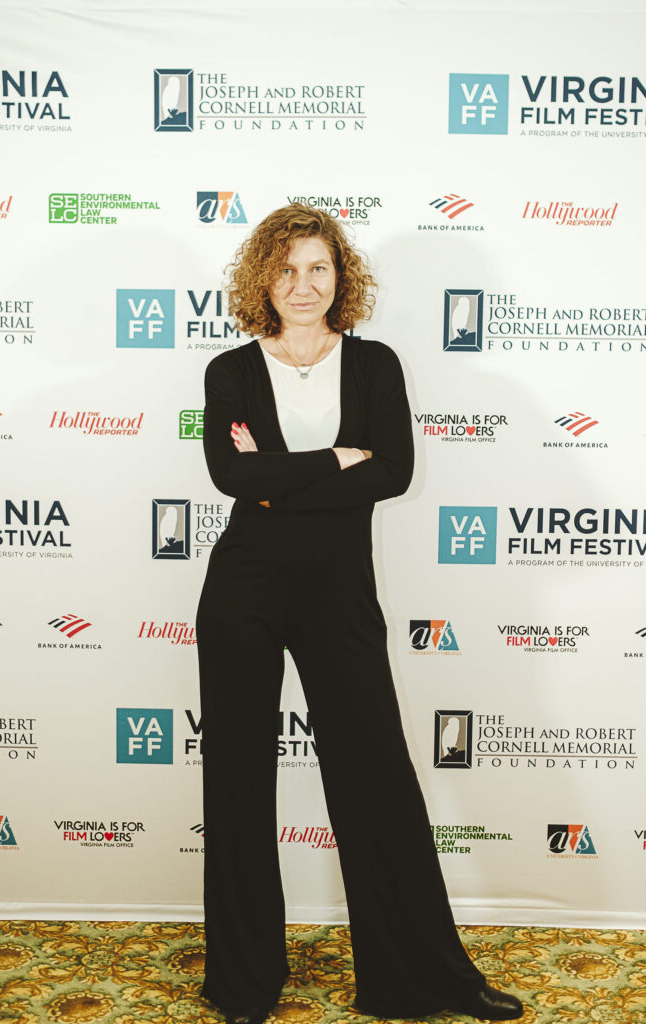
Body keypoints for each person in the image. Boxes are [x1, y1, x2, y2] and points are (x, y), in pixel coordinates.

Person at [196, 203, 524, 1024]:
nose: (302, 285)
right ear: (261, 279)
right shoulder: (230, 371)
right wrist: (339, 458)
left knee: (376, 774)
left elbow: (394, 473)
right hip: (241, 592)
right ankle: (243, 983)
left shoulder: (374, 363)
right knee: (237, 780)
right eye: (285, 269)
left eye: (318, 268)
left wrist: (278, 481)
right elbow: (231, 480)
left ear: (340, 278)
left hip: (339, 593)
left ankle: (424, 978)